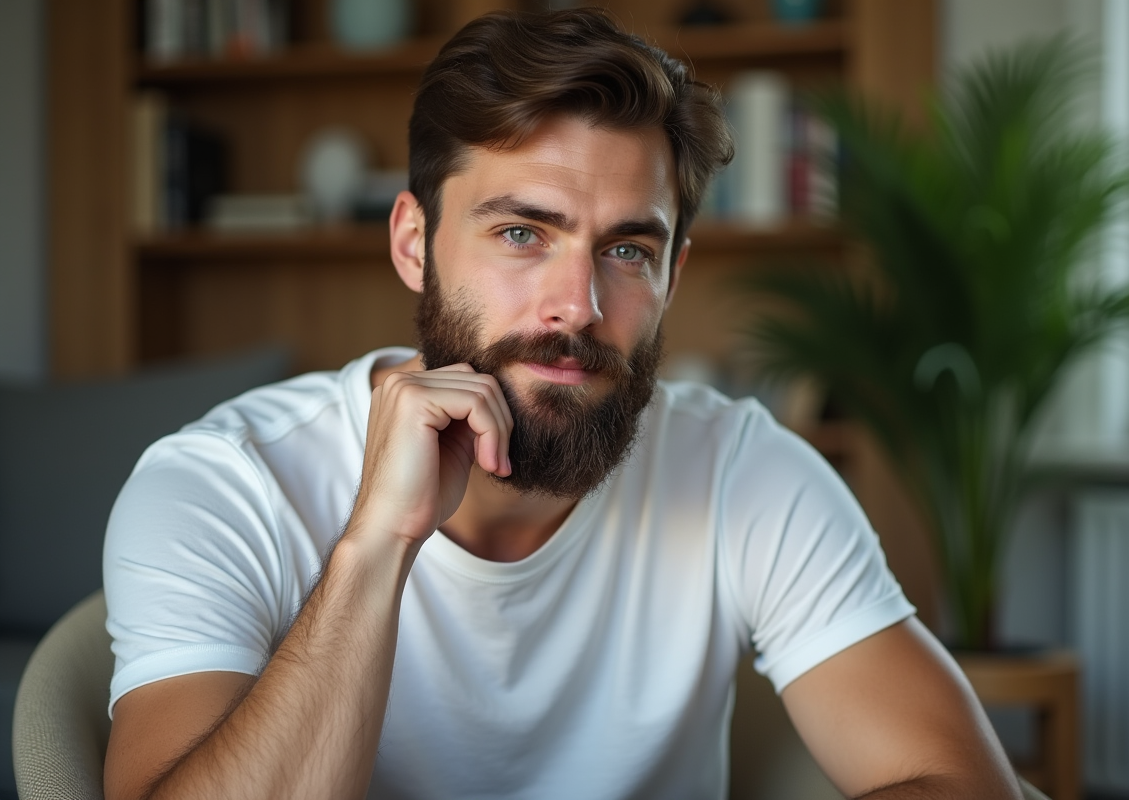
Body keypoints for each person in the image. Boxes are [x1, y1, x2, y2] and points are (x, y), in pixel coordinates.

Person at [102, 9, 1022, 800]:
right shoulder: (224, 484)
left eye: (627, 250)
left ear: (671, 274)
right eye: (520, 233)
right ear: (414, 244)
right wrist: (375, 548)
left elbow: (963, 781)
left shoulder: (742, 468)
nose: (576, 306)